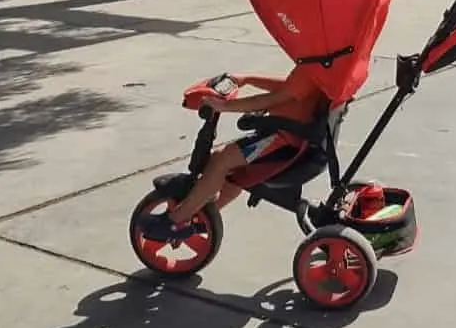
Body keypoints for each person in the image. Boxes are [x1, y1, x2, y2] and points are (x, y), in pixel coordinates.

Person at [137, 66, 327, 241]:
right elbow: (290, 87)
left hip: (285, 140)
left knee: (223, 160)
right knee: (222, 163)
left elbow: (274, 98)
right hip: (289, 134)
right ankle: (203, 216)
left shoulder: (314, 65)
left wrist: (225, 107)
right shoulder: (322, 66)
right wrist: (248, 79)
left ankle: (176, 222)